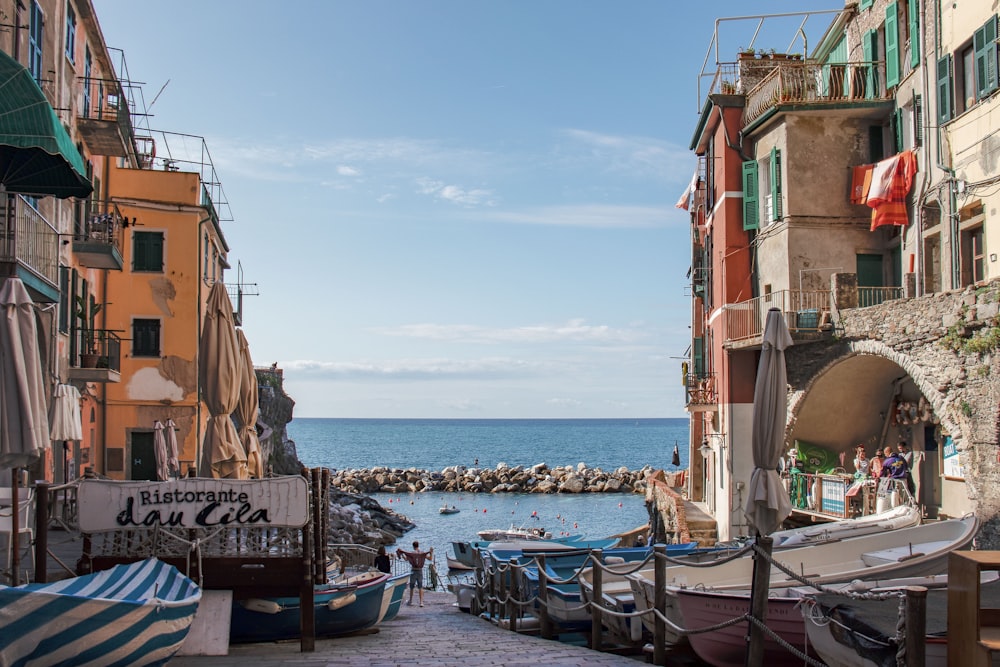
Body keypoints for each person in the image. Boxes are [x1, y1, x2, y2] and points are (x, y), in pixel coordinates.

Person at [397, 541, 434, 607]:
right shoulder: (422, 553)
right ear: (418, 545)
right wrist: (431, 552)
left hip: (413, 570)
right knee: (420, 587)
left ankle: (410, 601)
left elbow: (406, 559)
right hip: (420, 571)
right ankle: (421, 602)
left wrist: (402, 553)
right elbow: (430, 559)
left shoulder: (411, 554)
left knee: (412, 587)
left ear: (413, 546)